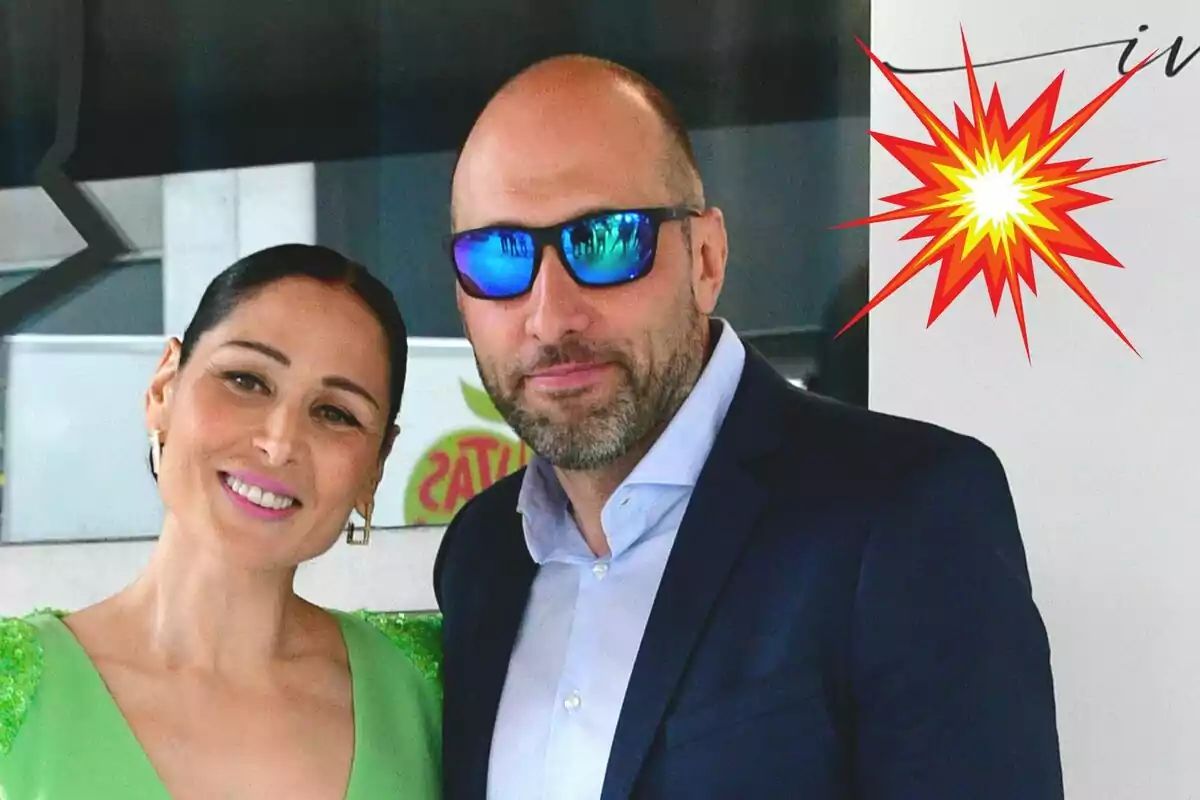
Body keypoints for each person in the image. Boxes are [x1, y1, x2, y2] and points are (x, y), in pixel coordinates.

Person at [433, 54, 1063, 799]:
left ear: (706, 256)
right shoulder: (482, 555)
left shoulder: (907, 513)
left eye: (605, 243)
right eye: (500, 257)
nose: (550, 316)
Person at [0, 245, 442, 799]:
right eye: (246, 380)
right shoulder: (9, 689)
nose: (279, 443)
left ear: (375, 468)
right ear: (164, 387)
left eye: (335, 413)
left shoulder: (432, 687)